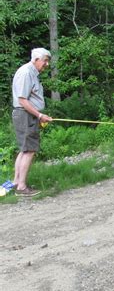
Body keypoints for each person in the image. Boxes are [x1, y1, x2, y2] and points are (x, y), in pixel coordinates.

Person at [12, 48, 54, 197]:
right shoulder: (26, 72)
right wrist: (39, 115)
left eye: (48, 61)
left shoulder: (31, 72)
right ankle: (22, 187)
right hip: (25, 115)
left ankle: (16, 183)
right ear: (36, 59)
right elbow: (23, 100)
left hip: (27, 115)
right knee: (29, 150)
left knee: (24, 149)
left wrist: (39, 115)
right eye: (45, 60)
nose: (47, 64)